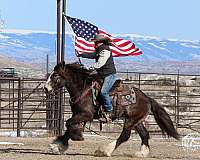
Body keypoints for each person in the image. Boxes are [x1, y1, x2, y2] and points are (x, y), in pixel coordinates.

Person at [79, 34, 117, 122]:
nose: (94, 44)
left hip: (109, 75)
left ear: (99, 43)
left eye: (95, 42)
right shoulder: (100, 50)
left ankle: (109, 111)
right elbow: (93, 55)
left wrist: (89, 68)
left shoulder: (105, 50)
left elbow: (100, 63)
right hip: (102, 74)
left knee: (104, 92)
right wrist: (82, 54)